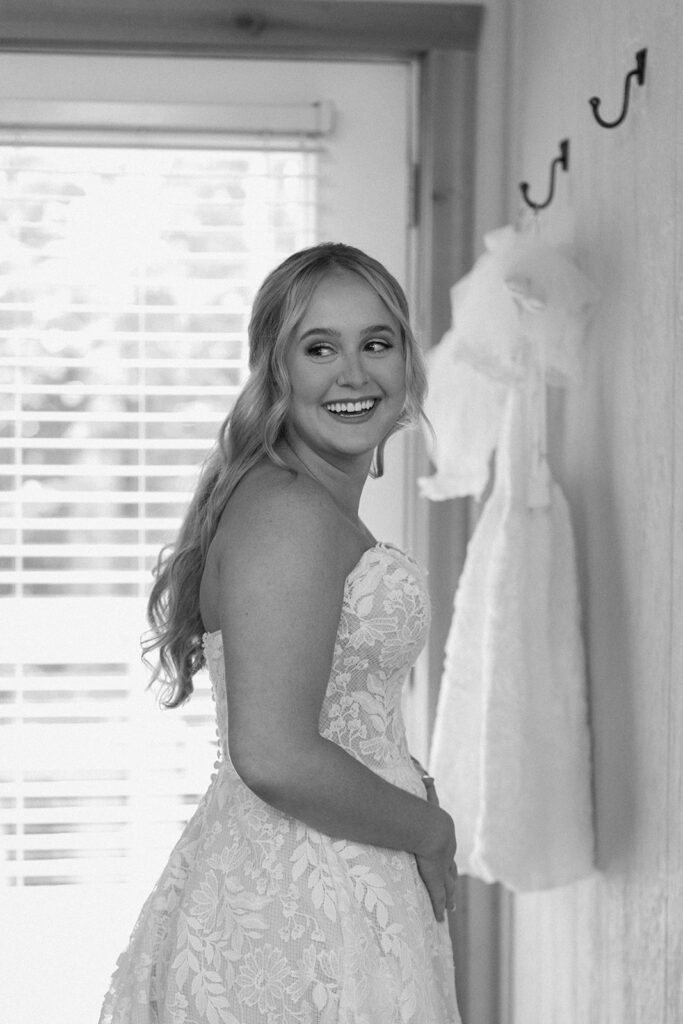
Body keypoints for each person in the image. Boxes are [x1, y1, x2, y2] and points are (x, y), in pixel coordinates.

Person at [99, 242, 460, 1024]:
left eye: (376, 342)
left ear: (406, 359)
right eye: (319, 347)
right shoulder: (289, 514)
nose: (354, 375)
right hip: (300, 902)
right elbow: (274, 754)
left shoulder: (306, 503)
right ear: (276, 369)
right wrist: (430, 829)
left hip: (343, 872)